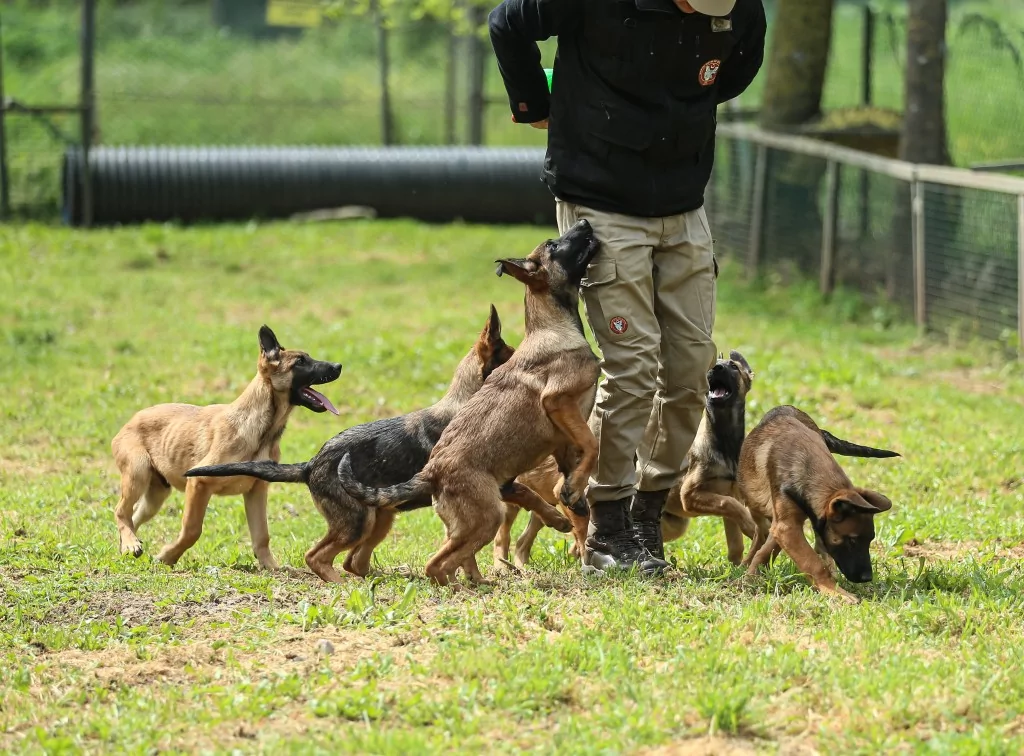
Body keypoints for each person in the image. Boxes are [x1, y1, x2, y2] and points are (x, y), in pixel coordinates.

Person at [488, 0, 767, 574]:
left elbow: (739, 64)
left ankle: (648, 509)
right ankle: (607, 522)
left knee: (691, 368)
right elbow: (507, 22)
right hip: (601, 198)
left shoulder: (739, 5)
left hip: (683, 202)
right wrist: (539, 106)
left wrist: (678, 108)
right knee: (633, 363)